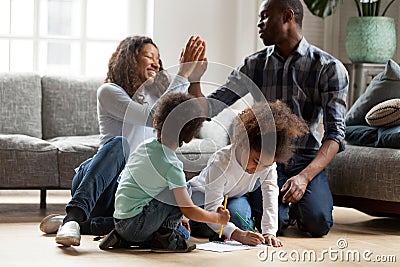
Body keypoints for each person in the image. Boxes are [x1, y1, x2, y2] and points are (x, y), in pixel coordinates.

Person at [190, 0, 348, 237]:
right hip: (266, 159)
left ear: (287, 17)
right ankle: (286, 211)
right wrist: (194, 79)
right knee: (276, 224)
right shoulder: (254, 65)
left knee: (318, 223)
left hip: (306, 159)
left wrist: (304, 178)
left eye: (264, 16)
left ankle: (299, 208)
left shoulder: (328, 67)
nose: (258, 23)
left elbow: (336, 134)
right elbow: (211, 107)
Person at [39, 35, 207, 247]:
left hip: (130, 196)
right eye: (148, 56)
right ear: (130, 59)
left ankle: (90, 226)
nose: (156, 63)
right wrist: (182, 73)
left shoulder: (159, 99)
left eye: (158, 58)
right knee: (120, 145)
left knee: (179, 233)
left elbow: (197, 114)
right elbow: (154, 116)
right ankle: (73, 217)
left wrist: (195, 78)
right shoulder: (109, 92)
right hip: (101, 187)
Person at [98, 92, 230, 252]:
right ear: (189, 137)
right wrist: (217, 218)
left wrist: (177, 217)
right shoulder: (172, 165)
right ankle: (162, 240)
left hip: (119, 220)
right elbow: (188, 209)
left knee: (182, 231)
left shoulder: (144, 146)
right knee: (184, 190)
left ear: (157, 121)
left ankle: (125, 238)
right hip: (137, 225)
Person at [188, 100, 308, 246]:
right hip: (202, 198)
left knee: (240, 222)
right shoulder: (221, 162)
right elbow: (212, 209)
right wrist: (237, 234)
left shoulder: (267, 163)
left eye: (265, 165)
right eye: (255, 161)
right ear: (243, 143)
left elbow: (270, 192)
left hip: (233, 197)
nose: (257, 169)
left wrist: (269, 231)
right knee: (205, 227)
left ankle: (230, 228)